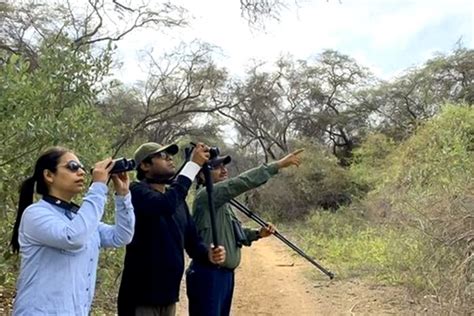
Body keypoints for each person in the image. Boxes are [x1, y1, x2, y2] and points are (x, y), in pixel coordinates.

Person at [10, 146, 135, 315]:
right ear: (49, 175)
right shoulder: (35, 214)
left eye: (82, 168)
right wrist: (98, 187)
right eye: (73, 167)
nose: (82, 172)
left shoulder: (77, 219)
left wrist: (123, 195)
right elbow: (72, 238)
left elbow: (121, 236)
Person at [186, 148, 304, 316]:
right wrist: (277, 165)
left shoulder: (222, 202)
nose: (224, 169)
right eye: (216, 166)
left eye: (224, 166)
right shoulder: (206, 196)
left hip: (224, 276)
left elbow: (234, 232)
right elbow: (240, 182)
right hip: (208, 274)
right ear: (202, 175)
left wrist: (258, 234)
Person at [117, 142, 226, 316]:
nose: (169, 158)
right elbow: (162, 205)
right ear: (145, 165)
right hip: (140, 298)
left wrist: (209, 255)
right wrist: (192, 166)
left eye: (170, 154)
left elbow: (193, 243)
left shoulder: (177, 201)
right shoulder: (135, 192)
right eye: (161, 156)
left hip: (168, 297)